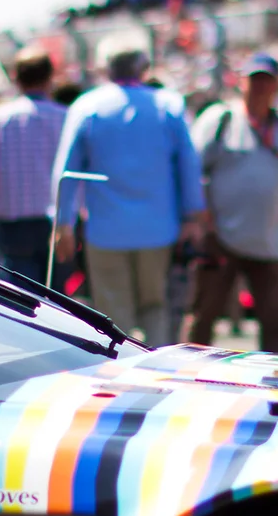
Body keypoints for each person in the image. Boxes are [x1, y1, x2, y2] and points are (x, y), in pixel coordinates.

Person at [51, 34, 206, 343]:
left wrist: (63, 225)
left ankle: (120, 372)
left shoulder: (86, 107)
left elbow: (66, 172)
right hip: (158, 229)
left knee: (111, 312)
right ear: (144, 66)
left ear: (104, 68)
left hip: (105, 231)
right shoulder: (168, 104)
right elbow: (188, 166)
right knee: (155, 306)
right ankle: (160, 372)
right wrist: (193, 216)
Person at [185, 55, 278, 353]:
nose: (260, 86)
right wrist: (201, 220)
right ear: (241, 82)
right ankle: (187, 374)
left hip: (268, 241)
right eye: (254, 79)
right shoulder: (221, 120)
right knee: (202, 317)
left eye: (266, 80)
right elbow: (193, 170)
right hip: (219, 237)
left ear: (276, 85)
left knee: (275, 322)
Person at [0, 48, 68, 277]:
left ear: (16, 78)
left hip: (12, 221)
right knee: (57, 296)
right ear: (50, 77)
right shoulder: (66, 116)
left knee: (19, 296)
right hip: (57, 219)